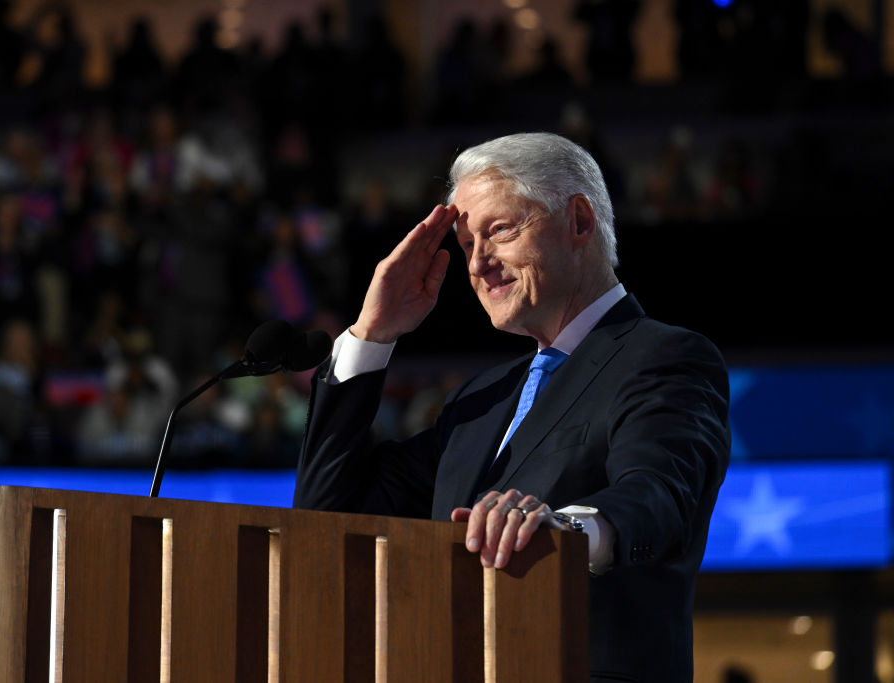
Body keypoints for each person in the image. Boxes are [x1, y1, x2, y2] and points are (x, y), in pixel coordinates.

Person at [293, 132, 730, 682]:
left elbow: (659, 494)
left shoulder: (665, 357)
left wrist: (560, 531)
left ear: (578, 221)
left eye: (498, 231)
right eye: (464, 244)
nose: (478, 264)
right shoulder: (478, 402)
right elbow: (329, 519)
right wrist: (372, 335)